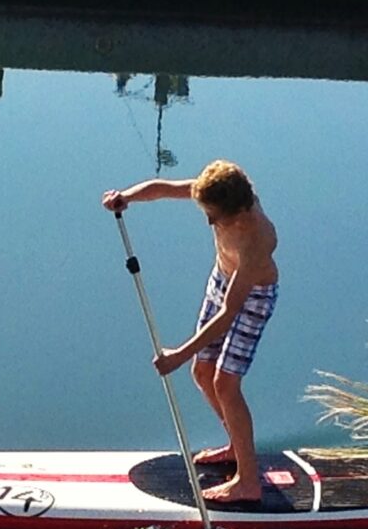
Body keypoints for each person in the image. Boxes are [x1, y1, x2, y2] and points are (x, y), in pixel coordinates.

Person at [101, 161, 280, 505]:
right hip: (221, 282)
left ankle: (248, 482)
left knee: (225, 383)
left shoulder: (257, 239)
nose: (209, 221)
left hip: (253, 297)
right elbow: (166, 188)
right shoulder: (219, 190)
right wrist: (127, 197)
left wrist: (178, 355)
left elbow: (230, 313)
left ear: (238, 212)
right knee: (203, 372)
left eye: (215, 216)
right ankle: (236, 446)